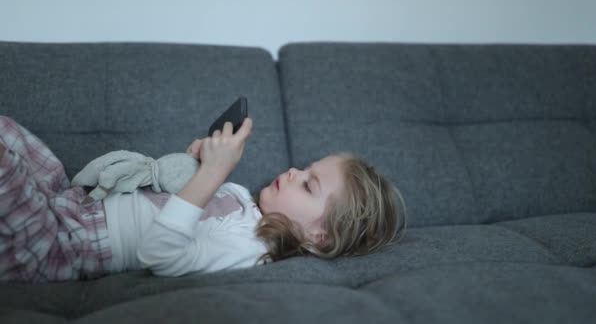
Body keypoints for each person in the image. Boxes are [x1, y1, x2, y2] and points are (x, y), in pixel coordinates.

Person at [0, 115, 406, 283]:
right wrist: (193, 166)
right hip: (68, 203)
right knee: (8, 132)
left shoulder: (252, 246)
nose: (294, 172)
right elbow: (165, 200)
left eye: (308, 185)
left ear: (320, 235)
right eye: (306, 168)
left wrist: (212, 174)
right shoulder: (237, 196)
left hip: (60, 247)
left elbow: (160, 253)